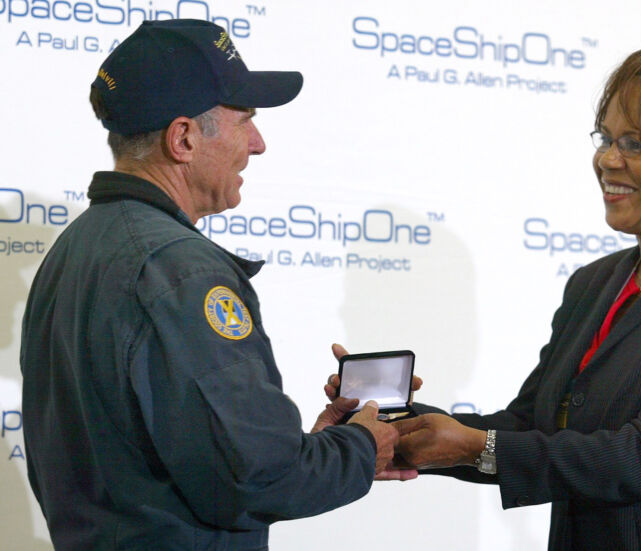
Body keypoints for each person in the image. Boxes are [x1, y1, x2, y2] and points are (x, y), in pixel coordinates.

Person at [328, 45, 641, 550]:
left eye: (635, 143)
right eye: (607, 138)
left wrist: (479, 447)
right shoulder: (595, 283)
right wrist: (395, 423)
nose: (609, 160)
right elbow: (531, 426)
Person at [20, 19, 399, 550]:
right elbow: (253, 478)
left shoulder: (75, 248)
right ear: (183, 138)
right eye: (246, 120)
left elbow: (187, 460)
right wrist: (362, 446)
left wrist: (315, 447)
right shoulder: (181, 270)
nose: (260, 143)